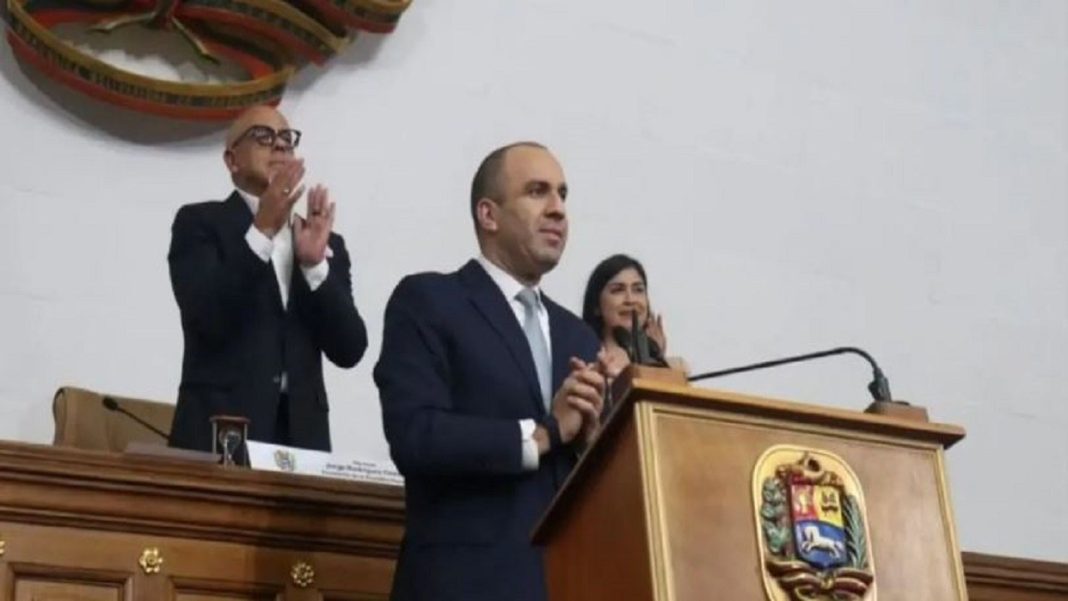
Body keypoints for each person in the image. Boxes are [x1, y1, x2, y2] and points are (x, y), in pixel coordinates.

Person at [374, 142, 606, 601]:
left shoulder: (578, 336)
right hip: (462, 584)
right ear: (488, 214)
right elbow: (416, 435)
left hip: (563, 582)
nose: (558, 209)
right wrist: (543, 434)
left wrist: (593, 445)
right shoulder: (430, 301)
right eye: (537, 192)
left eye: (562, 194)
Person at [167, 105, 368, 453]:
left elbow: (350, 348)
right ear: (232, 160)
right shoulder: (200, 223)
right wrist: (261, 229)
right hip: (221, 431)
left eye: (286, 139)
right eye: (263, 136)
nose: (279, 145)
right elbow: (208, 318)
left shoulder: (323, 241)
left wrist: (314, 267)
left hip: (303, 438)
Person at [581, 253, 688, 376]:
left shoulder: (677, 369)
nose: (630, 300)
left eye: (638, 290)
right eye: (618, 290)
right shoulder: (584, 361)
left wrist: (657, 357)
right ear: (596, 306)